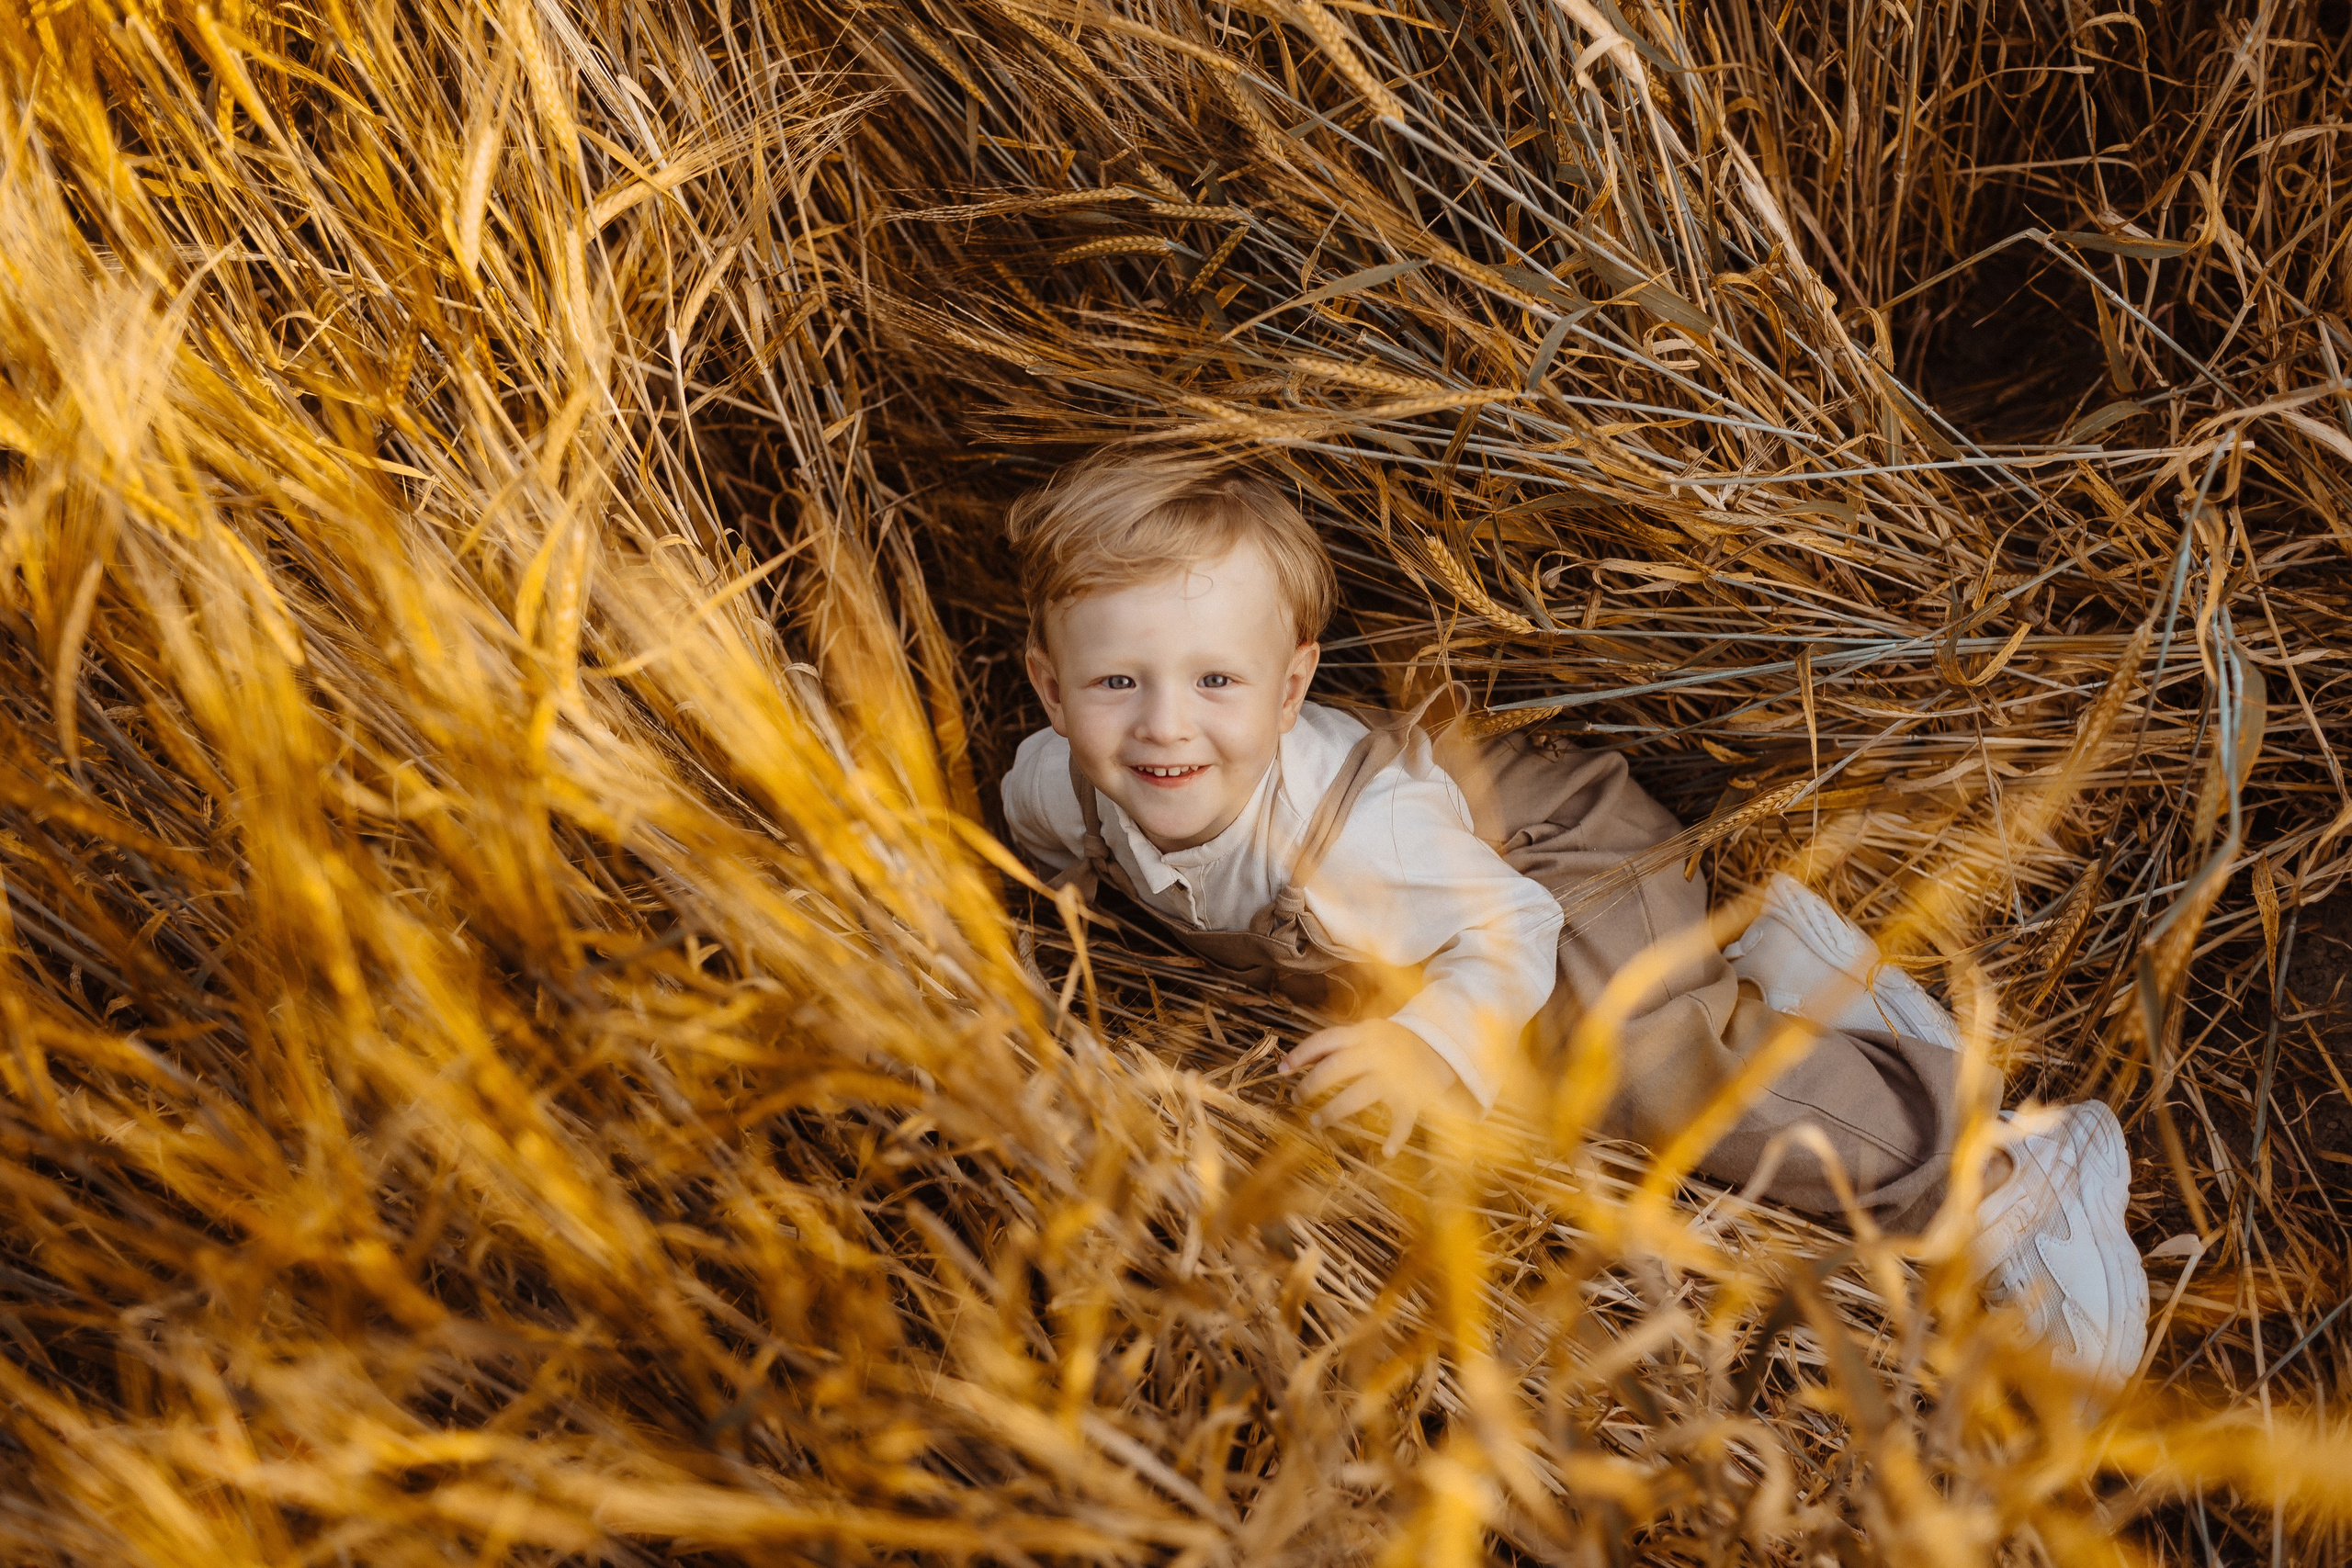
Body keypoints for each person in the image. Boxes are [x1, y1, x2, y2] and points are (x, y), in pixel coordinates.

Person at [997, 449, 2149, 1386]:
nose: (1162, 728)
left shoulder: (1355, 833)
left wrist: (1426, 1044)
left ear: (1290, 689)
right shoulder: (1056, 786)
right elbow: (1053, 846)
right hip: (1439, 910)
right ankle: (1782, 980)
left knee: (1646, 1074)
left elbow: (1507, 930)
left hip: (1548, 858)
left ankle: (2002, 1169)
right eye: (1115, 684)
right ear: (1052, 691)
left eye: (1215, 683)